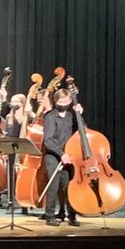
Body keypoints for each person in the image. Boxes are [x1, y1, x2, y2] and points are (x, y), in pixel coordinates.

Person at [40, 87, 82, 226]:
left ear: (70, 101)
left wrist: (79, 115)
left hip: (70, 155)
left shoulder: (70, 116)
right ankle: (49, 215)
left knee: (68, 186)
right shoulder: (51, 117)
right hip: (53, 156)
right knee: (53, 186)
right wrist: (61, 154)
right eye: (60, 101)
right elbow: (48, 140)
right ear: (55, 101)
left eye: (66, 101)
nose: (63, 104)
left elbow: (82, 131)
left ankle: (70, 215)